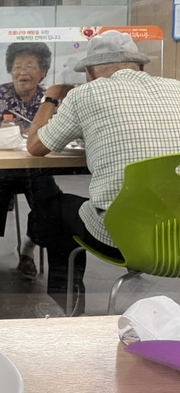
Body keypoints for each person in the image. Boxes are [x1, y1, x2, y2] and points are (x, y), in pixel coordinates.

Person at [27, 30, 180, 315]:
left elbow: (35, 146)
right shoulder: (177, 88)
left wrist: (50, 98)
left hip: (125, 239)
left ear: (89, 72)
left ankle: (67, 311)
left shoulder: (86, 94)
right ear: (141, 67)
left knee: (53, 208)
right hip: (177, 235)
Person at [0, 42, 60, 283]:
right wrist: (0, 131)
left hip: (35, 167)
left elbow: (63, 131)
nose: (23, 72)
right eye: (17, 66)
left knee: (49, 199)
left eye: (30, 66)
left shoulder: (49, 100)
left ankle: (28, 248)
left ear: (43, 72)